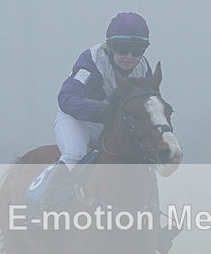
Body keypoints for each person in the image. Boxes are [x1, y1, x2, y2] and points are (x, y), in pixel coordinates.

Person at [40, 12, 154, 208]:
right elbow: (66, 98)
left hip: (109, 125)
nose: (130, 56)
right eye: (123, 49)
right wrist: (101, 111)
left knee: (143, 160)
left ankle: (152, 211)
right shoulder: (92, 61)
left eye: (137, 50)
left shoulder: (143, 69)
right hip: (78, 121)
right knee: (74, 154)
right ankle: (46, 204)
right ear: (110, 46)